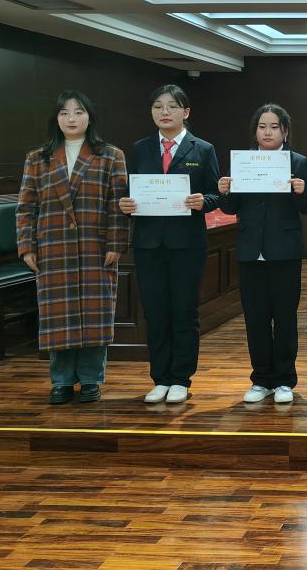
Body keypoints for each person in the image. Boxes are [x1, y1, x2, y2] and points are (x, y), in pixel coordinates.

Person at [15, 91, 129, 404]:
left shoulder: (110, 155)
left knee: (95, 314)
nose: (71, 119)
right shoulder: (38, 158)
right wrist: (27, 246)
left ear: (90, 117)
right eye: (64, 113)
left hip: (96, 246)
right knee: (58, 314)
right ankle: (61, 380)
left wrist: (117, 243)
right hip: (52, 247)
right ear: (56, 119)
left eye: (78, 112)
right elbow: (26, 207)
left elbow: (117, 204)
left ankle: (91, 379)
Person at [119, 84, 220, 405]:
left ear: (185, 112)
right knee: (155, 312)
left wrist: (203, 201)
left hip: (187, 244)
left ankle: (181, 379)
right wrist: (126, 204)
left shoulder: (202, 149)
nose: (164, 112)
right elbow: (129, 191)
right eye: (158, 107)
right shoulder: (140, 149)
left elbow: (216, 194)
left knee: (184, 312)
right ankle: (160, 378)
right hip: (148, 244)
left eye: (172, 106)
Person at [219, 103, 307, 405]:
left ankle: (285, 380)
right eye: (262, 126)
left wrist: (300, 191)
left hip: (285, 251)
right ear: (255, 132)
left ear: (285, 132)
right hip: (251, 251)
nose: (267, 132)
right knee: (256, 318)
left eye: (274, 126)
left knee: (285, 318)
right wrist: (225, 190)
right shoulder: (243, 162)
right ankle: (261, 379)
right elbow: (230, 208)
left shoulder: (298, 162)